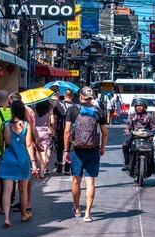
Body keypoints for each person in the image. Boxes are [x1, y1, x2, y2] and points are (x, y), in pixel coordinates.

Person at [64, 87, 108, 222]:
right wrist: (102, 148)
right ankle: (88, 214)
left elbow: (66, 132)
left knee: (76, 180)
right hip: (93, 149)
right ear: (92, 97)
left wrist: (66, 150)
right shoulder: (98, 111)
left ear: (81, 97)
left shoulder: (73, 109)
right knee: (90, 182)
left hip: (75, 149)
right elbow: (105, 133)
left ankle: (77, 209)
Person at [0, 100, 38, 228]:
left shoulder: (4, 125)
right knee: (23, 190)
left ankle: (6, 218)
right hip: (22, 160)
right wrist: (33, 163)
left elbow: (1, 145)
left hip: (8, 159)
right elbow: (28, 145)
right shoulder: (26, 125)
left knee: (7, 191)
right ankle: (24, 214)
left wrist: (3, 155)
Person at [9, 92, 40, 211]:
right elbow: (33, 129)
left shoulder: (18, 112)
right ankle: (26, 202)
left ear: (13, 101)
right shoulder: (30, 111)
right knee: (26, 177)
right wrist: (36, 143)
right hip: (29, 146)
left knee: (20, 178)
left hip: (20, 148)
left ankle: (24, 203)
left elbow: (30, 130)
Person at [122, 98, 155, 172]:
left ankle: (151, 167)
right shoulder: (132, 116)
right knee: (125, 145)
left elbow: (154, 127)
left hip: (147, 139)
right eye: (137, 106)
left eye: (141, 106)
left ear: (144, 107)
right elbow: (129, 124)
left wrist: (152, 131)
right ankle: (127, 163)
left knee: (153, 149)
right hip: (135, 138)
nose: (139, 107)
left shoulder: (149, 116)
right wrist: (127, 129)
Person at [54, 89, 77, 174]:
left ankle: (59, 165)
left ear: (64, 95)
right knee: (69, 147)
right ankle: (67, 167)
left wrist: (53, 128)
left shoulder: (58, 104)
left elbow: (55, 117)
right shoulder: (76, 106)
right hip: (71, 129)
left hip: (60, 128)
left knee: (59, 147)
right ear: (72, 96)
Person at [35, 100, 55, 178]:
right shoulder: (49, 110)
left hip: (36, 132)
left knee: (38, 153)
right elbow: (53, 122)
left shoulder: (34, 110)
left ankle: (39, 168)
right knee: (44, 153)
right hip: (46, 132)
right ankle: (42, 172)